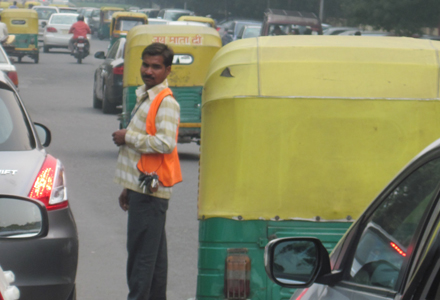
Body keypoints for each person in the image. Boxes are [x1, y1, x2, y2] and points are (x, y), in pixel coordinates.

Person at [112, 42, 182, 300]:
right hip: (143, 188)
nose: (149, 71)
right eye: (145, 65)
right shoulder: (147, 95)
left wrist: (128, 137)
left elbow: (165, 143)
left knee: (141, 261)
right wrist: (128, 187)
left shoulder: (166, 102)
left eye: (156, 67)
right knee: (153, 262)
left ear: (167, 70)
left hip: (151, 194)